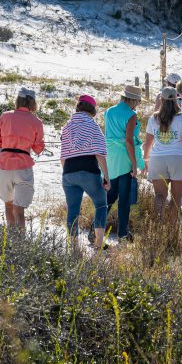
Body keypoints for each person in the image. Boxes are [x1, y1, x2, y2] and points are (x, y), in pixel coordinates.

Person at [60, 95, 110, 251]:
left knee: (73, 209)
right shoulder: (93, 126)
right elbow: (99, 154)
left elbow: (63, 156)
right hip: (88, 169)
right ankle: (99, 243)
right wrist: (107, 178)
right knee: (101, 204)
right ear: (93, 109)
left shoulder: (67, 126)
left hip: (68, 171)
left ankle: (74, 247)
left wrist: (68, 173)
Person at [143, 87, 182, 221]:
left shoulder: (153, 118)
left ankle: (158, 224)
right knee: (176, 198)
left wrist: (146, 159)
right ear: (176, 100)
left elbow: (148, 142)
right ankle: (172, 228)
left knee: (160, 196)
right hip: (178, 158)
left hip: (157, 159)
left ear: (161, 100)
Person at [0, 87, 45, 230]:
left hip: (3, 165)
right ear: (33, 103)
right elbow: (38, 148)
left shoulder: (5, 116)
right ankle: (21, 244)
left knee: (8, 205)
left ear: (18, 100)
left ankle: (11, 241)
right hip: (23, 166)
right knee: (19, 210)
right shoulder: (37, 122)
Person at [104, 85, 144, 242]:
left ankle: (96, 227)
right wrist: (134, 164)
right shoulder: (131, 115)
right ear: (133, 100)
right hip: (124, 156)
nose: (139, 104)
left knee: (110, 195)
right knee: (125, 198)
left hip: (110, 155)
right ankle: (122, 233)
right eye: (139, 101)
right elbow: (128, 141)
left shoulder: (109, 111)